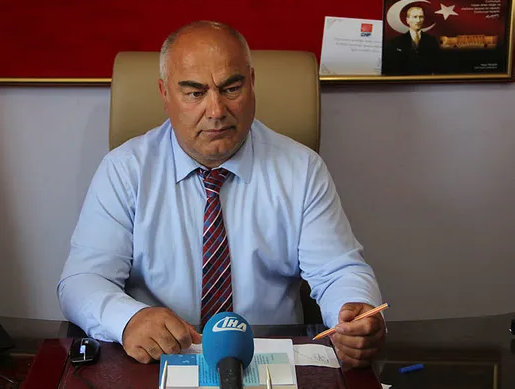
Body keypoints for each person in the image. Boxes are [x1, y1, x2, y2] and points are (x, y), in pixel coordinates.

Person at [57, 20, 386, 368]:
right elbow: (82, 280)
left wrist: (353, 313)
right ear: (165, 94)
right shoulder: (125, 170)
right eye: (195, 93)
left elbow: (338, 271)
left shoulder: (301, 169)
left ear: (252, 83)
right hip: (160, 360)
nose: (215, 111)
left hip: (268, 357)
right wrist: (128, 319)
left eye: (231, 88)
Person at [383, 6, 441, 75]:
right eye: (415, 17)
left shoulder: (431, 41)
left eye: (421, 17)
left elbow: (437, 65)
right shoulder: (395, 42)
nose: (418, 20)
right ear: (407, 20)